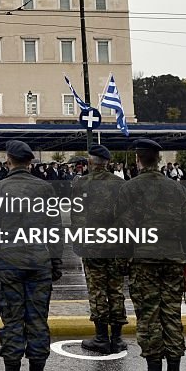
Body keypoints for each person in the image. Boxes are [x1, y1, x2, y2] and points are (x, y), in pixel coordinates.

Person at [0, 140, 62, 371]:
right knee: (38, 322)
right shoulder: (46, 189)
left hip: (8, 265)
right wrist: (56, 263)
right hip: (39, 264)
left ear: (8, 161)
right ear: (30, 162)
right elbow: (55, 230)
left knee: (13, 323)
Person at [115, 138, 186, 371]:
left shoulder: (129, 189)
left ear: (139, 160)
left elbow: (122, 231)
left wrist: (121, 262)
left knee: (149, 318)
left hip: (144, 262)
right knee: (171, 315)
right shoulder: (176, 189)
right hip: (173, 260)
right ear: (159, 160)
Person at [72, 144, 128, 354]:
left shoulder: (82, 184)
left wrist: (78, 243)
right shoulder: (121, 184)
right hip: (116, 245)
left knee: (97, 290)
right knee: (116, 290)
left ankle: (101, 337)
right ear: (108, 163)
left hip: (92, 246)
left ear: (89, 163)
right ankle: (117, 338)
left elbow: (77, 217)